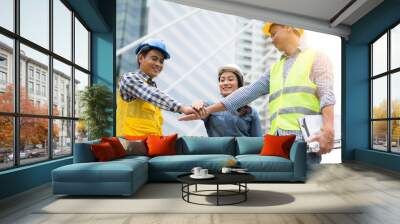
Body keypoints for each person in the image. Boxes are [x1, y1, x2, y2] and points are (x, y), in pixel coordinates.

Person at [180, 23, 335, 160]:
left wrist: (328, 129)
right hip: (277, 142)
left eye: (273, 34)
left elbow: (326, 95)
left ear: (288, 26)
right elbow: (247, 92)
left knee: (307, 187)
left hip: (304, 140)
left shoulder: (316, 57)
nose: (271, 39)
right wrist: (208, 110)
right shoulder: (275, 69)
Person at [116, 38, 198, 136]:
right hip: (129, 146)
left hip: (150, 147)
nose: (158, 64)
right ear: (141, 58)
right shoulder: (129, 78)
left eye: (161, 61)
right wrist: (182, 108)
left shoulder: (155, 97)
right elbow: (150, 93)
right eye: (154, 59)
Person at [193, 64, 262, 137]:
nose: (225, 83)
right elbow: (188, 111)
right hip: (216, 148)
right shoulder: (210, 106)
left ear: (239, 84)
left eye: (230, 79)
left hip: (242, 148)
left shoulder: (251, 112)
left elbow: (258, 141)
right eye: (222, 80)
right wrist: (197, 104)